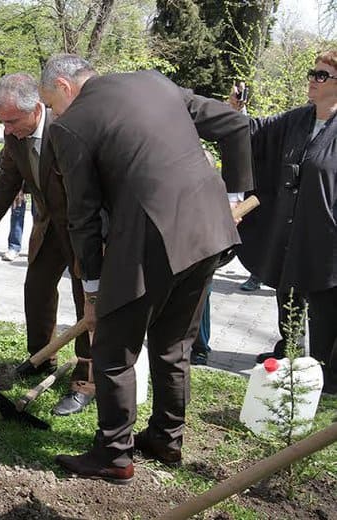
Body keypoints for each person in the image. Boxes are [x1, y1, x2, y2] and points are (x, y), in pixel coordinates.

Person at [39, 54, 253, 483]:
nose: (54, 115)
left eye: (52, 104)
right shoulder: (155, 82)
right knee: (173, 343)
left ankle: (113, 455)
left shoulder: (70, 124)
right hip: (210, 229)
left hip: (150, 236)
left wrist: (94, 288)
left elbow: (81, 214)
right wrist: (232, 200)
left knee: (113, 351)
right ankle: (165, 438)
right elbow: (236, 125)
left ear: (64, 86)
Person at [0, 73, 94, 416]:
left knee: (88, 302)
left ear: (36, 109)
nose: (5, 129)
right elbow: (5, 187)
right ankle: (42, 357)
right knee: (36, 289)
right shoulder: (14, 138)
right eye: (1, 121)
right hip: (49, 225)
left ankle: (86, 380)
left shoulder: (68, 128)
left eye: (11, 120)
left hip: (83, 229)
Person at [230, 51, 337, 394]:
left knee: (324, 302)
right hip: (290, 227)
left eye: (321, 75)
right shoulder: (299, 119)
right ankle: (289, 350)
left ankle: (323, 368)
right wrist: (237, 111)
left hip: (327, 236)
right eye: (313, 72)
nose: (312, 80)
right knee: (287, 289)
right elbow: (258, 132)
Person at [0, 151, 37, 262]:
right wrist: (15, 187)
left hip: (39, 180)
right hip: (18, 176)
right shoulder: (15, 141)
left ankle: (38, 249)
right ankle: (14, 247)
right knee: (17, 211)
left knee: (39, 216)